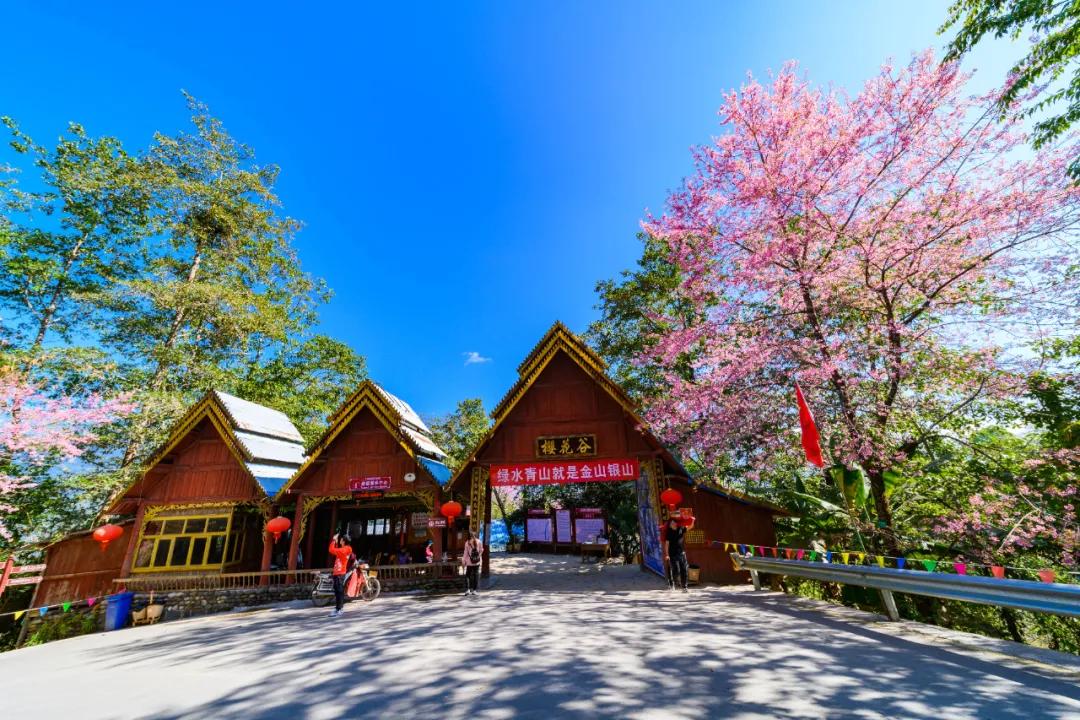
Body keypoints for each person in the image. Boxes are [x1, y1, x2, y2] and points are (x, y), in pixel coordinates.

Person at [327, 533, 354, 618]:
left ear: (344, 541)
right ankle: (337, 608)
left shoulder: (346, 549)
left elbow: (331, 550)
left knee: (339, 592)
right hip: (337, 572)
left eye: (341, 539)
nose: (340, 540)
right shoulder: (343, 549)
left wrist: (334, 540)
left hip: (340, 573)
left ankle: (340, 609)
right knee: (337, 591)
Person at [664, 517, 693, 592]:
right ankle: (672, 584)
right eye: (672, 523)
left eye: (674, 523)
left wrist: (693, 520)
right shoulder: (669, 533)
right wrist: (667, 555)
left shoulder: (681, 529)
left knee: (684, 569)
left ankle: (684, 587)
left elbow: (690, 527)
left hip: (681, 553)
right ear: (670, 525)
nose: (673, 524)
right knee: (675, 570)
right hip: (672, 554)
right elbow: (667, 544)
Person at [461, 532, 483, 596]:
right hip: (477, 562)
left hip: (469, 562)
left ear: (469, 536)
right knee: (476, 575)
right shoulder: (479, 541)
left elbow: (465, 553)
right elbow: (481, 550)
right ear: (476, 536)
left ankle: (468, 589)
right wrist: (478, 556)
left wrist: (463, 561)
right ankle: (474, 590)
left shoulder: (467, 543)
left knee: (468, 575)